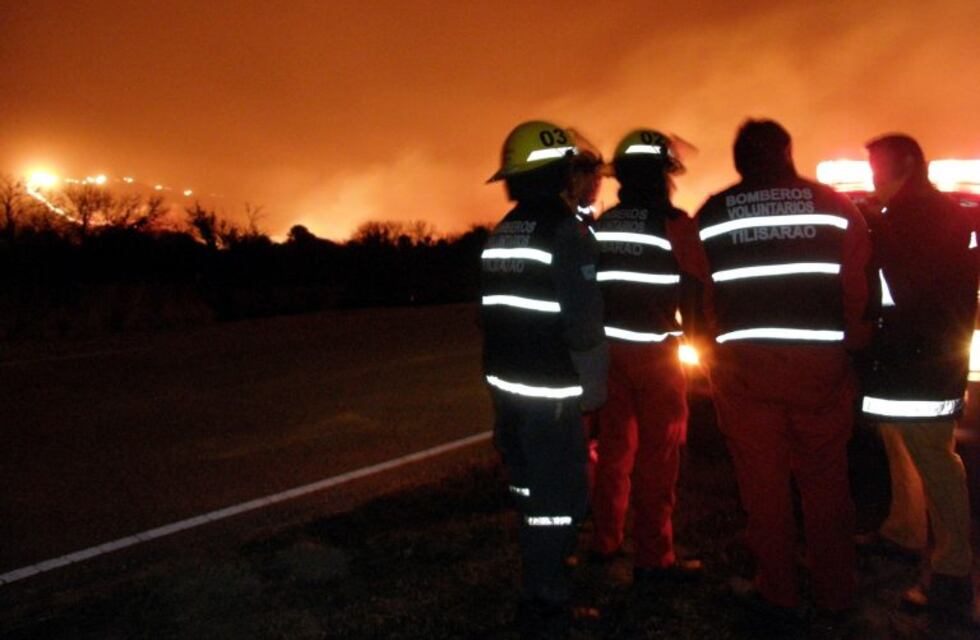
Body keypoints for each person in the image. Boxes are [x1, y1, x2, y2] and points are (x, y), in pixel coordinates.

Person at [694, 120, 872, 620]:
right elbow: (857, 290)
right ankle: (835, 593)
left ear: (739, 160)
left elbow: (703, 293)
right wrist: (849, 346)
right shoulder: (836, 206)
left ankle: (779, 591)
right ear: (787, 152)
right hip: (819, 368)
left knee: (763, 487)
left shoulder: (711, 212)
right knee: (826, 482)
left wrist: (721, 347)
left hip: (745, 372)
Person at [481, 120, 608, 637]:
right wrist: (594, 389)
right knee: (558, 502)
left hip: (507, 389)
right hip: (551, 394)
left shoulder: (501, 232)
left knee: (531, 494)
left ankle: (543, 573)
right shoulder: (566, 232)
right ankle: (547, 597)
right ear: (561, 171)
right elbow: (583, 324)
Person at [858, 134, 977, 615]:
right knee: (903, 445)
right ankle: (904, 532)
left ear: (906, 166)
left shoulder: (914, 218)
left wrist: (874, 230)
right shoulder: (933, 213)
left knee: (934, 458)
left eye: (878, 168)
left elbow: (908, 288)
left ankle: (953, 574)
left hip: (918, 360)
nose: (874, 178)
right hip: (914, 359)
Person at [589, 129, 708, 585]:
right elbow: (696, 291)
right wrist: (700, 352)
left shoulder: (604, 224)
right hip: (657, 357)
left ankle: (605, 541)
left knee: (614, 451)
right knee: (658, 457)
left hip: (609, 355)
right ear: (662, 174)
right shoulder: (675, 224)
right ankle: (654, 557)